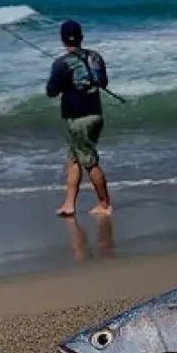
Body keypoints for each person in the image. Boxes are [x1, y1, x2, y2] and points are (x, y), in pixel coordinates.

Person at [46, 20, 113, 217]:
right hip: (95, 115)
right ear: (81, 37)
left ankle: (105, 204)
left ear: (62, 39)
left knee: (89, 162)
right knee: (74, 159)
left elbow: (51, 91)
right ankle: (69, 205)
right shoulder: (96, 57)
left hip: (78, 120)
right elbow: (103, 82)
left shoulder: (60, 64)